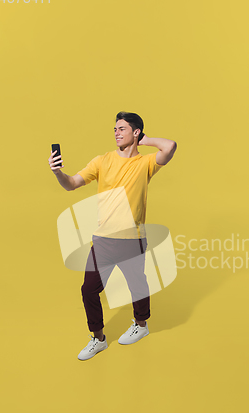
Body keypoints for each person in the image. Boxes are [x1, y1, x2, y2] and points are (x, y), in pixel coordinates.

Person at [48, 111, 177, 360]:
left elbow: (170, 146)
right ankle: (98, 338)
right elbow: (72, 183)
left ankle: (141, 325)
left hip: (133, 239)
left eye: (122, 128)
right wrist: (57, 173)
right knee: (88, 290)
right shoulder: (102, 160)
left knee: (137, 286)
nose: (116, 132)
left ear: (135, 132)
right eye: (115, 129)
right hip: (104, 240)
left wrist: (144, 139)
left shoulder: (146, 163)